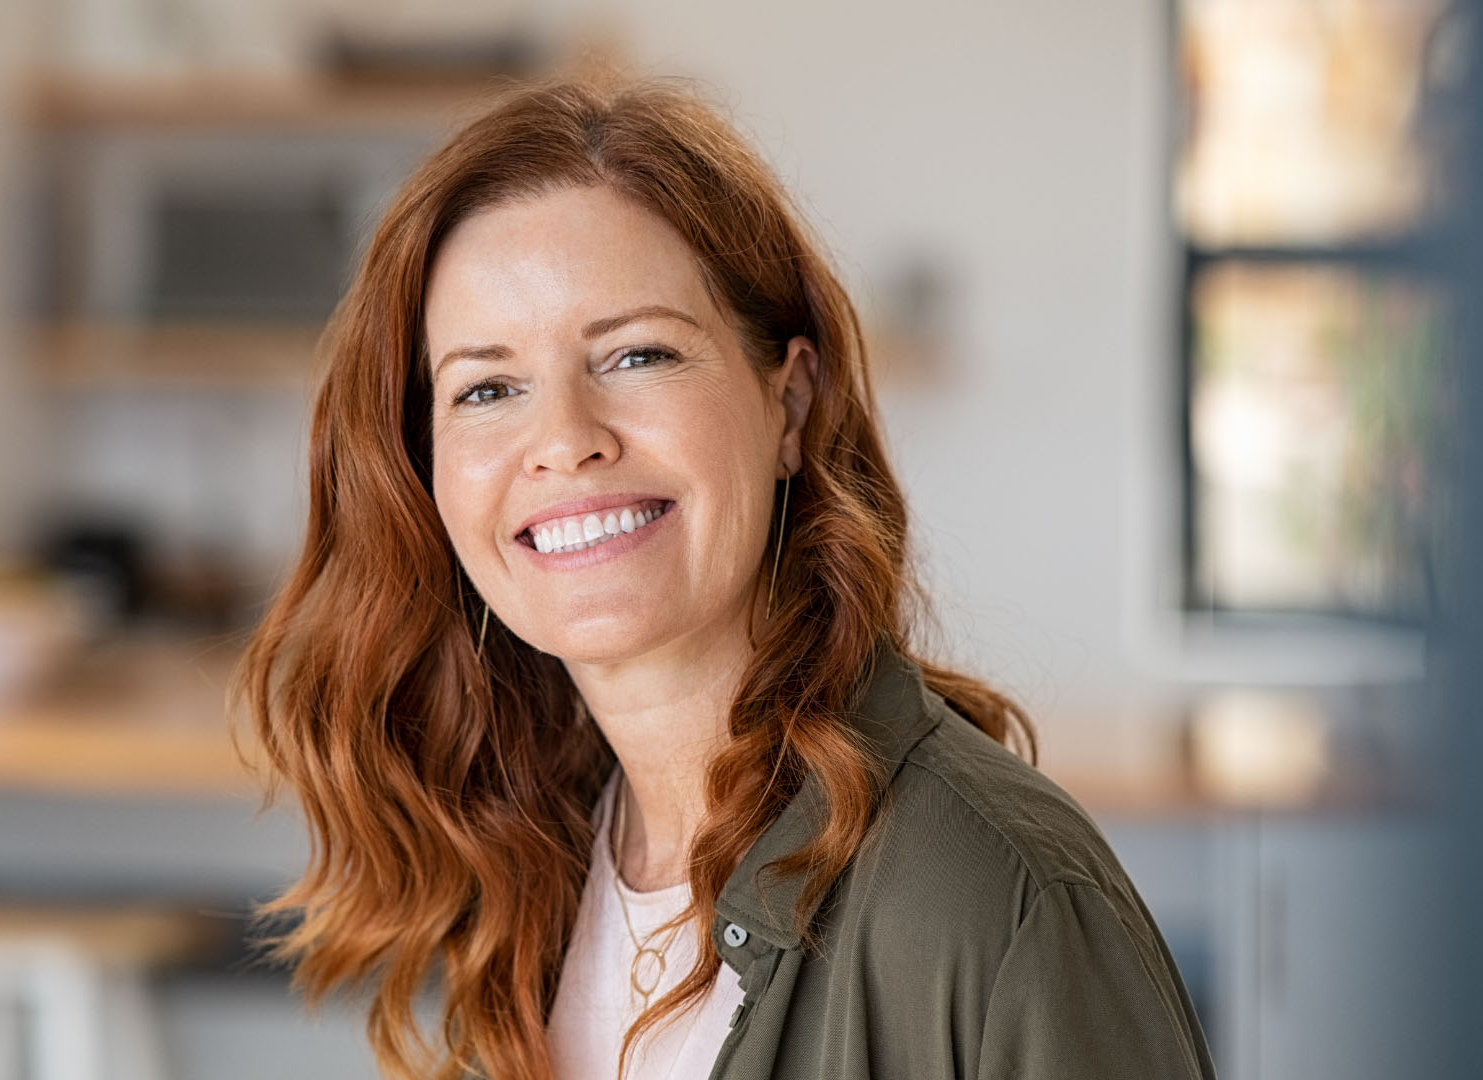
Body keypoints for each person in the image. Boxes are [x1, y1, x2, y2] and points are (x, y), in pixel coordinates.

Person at [229, 74, 1217, 1080]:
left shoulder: (995, 901)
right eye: (487, 388)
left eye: (638, 355)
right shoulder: (533, 864)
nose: (563, 441)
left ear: (788, 405)